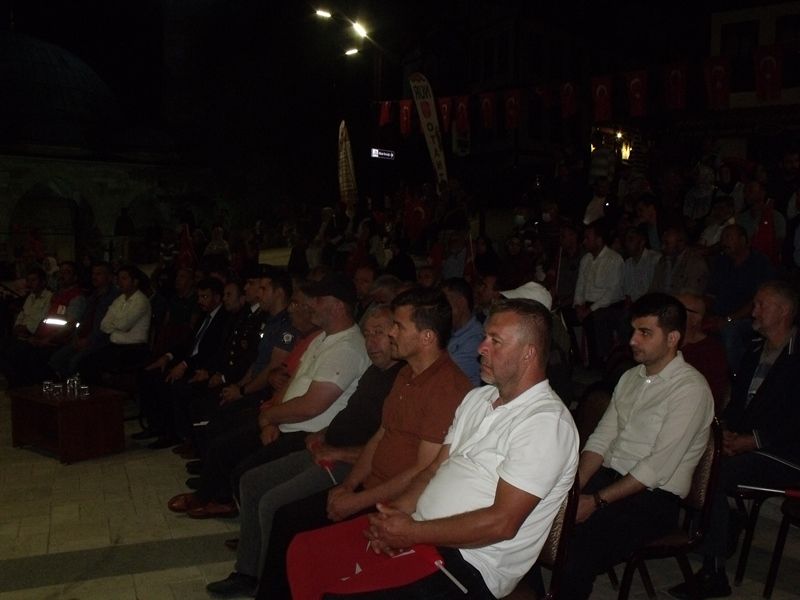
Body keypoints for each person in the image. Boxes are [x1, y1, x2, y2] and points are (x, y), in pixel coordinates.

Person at [288, 298, 579, 600]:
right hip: (423, 533)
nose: (481, 348)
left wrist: (410, 533)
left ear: (528, 353)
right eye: (484, 338)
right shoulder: (477, 399)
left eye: (495, 341)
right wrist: (393, 517)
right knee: (307, 553)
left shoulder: (546, 424)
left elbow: (502, 523)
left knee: (339, 593)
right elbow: (432, 471)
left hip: (471, 564)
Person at [254, 286, 472, 599]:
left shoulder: (446, 388)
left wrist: (357, 500)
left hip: (396, 505)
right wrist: (348, 487)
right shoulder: (406, 373)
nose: (392, 333)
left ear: (426, 337)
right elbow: (380, 435)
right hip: (369, 489)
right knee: (288, 521)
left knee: (297, 530)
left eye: (399, 327)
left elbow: (423, 471)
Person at [206, 305, 404, 597]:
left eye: (380, 333)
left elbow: (388, 447)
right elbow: (348, 414)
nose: (372, 342)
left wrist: (338, 453)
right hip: (327, 447)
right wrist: (321, 435)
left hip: (351, 463)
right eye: (368, 334)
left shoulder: (400, 379)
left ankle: (268, 588)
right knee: (252, 481)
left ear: (396, 335)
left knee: (273, 503)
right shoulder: (374, 372)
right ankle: (247, 571)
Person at [167, 272, 369, 518]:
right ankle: (213, 497)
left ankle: (227, 505)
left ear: (338, 306)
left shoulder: (347, 348)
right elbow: (291, 381)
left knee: (245, 472)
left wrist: (270, 417)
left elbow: (311, 406)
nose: (310, 306)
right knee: (226, 445)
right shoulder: (322, 338)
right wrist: (272, 417)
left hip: (308, 433)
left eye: (318, 300)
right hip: (286, 422)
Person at [562, 293, 714, 599]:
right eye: (633, 331)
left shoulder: (690, 389)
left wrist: (595, 501)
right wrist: (574, 488)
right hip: (610, 480)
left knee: (579, 544)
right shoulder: (631, 377)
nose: (632, 340)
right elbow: (601, 439)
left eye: (645, 333)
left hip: (653, 499)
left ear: (672, 338)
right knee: (535, 512)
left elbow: (655, 468)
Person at [669, 281, 800, 599]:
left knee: (715, 472)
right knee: (696, 452)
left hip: (789, 454)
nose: (754, 311)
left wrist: (752, 441)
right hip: (754, 447)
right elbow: (740, 406)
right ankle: (715, 525)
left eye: (761, 305)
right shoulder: (755, 350)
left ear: (784, 311)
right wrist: (725, 432)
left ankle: (714, 572)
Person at [78, 265, 151, 382]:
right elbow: (104, 325)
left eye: (124, 278)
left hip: (134, 348)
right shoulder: (119, 299)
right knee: (85, 362)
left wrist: (115, 323)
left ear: (135, 281)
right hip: (115, 345)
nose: (120, 282)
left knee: (92, 364)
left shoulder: (141, 301)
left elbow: (124, 325)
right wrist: (117, 324)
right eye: (119, 278)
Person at [573, 219, 624, 366]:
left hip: (608, 305)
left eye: (587, 238)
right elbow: (580, 285)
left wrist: (589, 310)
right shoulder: (586, 259)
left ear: (599, 240)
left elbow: (611, 293)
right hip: (588, 304)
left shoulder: (614, 259)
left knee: (598, 317)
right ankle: (577, 358)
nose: (584, 242)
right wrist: (578, 305)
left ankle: (602, 360)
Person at [676, 293, 729, 414]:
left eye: (678, 309)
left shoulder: (711, 352)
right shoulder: (663, 342)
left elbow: (710, 396)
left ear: (696, 318)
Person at [441, 278, 483, 386]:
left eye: (445, 304)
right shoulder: (451, 332)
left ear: (461, 303)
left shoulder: (475, 339)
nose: (441, 310)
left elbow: (443, 375)